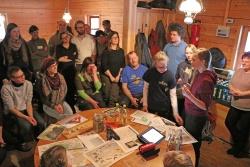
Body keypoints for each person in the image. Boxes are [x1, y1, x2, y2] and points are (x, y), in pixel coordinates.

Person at [182, 48, 217, 167]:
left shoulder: (206, 79)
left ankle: (194, 163)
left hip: (196, 117)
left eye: (194, 59)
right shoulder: (199, 73)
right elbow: (198, 93)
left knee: (193, 144)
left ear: (203, 61)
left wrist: (188, 95)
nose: (191, 61)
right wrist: (189, 88)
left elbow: (204, 106)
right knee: (190, 141)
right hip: (190, 113)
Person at [1, 66, 45, 151]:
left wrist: (31, 116)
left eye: (23, 75)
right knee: (26, 125)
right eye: (19, 77)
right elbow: (11, 108)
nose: (23, 77)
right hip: (15, 110)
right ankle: (24, 141)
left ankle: (38, 138)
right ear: (12, 79)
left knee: (41, 122)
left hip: (26, 107)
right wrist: (26, 118)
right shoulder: (6, 89)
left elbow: (28, 103)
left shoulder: (28, 84)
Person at [142, 51, 183, 125]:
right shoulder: (150, 72)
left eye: (165, 66)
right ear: (155, 64)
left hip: (164, 108)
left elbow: (173, 96)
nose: (164, 69)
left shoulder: (170, 76)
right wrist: (145, 104)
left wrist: (175, 113)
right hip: (151, 106)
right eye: (161, 67)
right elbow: (145, 89)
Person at [225, 51, 250, 158]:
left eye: (246, 62)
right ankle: (239, 146)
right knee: (229, 123)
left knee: (243, 129)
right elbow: (230, 83)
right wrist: (232, 90)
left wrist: (241, 93)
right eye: (242, 61)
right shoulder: (239, 71)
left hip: (248, 107)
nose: (243, 63)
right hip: (235, 103)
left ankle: (239, 149)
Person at [0, 23, 33, 87]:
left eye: (18, 31)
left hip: (25, 74)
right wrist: (3, 77)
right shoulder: (3, 45)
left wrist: (31, 71)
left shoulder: (23, 43)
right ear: (9, 33)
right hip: (10, 76)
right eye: (14, 31)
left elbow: (29, 58)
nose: (17, 33)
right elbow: (0, 64)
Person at [101, 31, 125, 106]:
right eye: (114, 37)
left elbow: (122, 65)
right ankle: (106, 108)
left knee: (114, 94)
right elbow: (104, 66)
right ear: (110, 40)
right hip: (107, 75)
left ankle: (112, 109)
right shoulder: (106, 51)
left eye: (117, 37)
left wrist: (118, 76)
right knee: (107, 93)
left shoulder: (121, 51)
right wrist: (111, 77)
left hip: (117, 75)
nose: (116, 39)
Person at [56, 31, 78, 112]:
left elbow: (75, 57)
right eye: (63, 37)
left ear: (69, 37)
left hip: (72, 70)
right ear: (61, 39)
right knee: (64, 89)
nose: (65, 38)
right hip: (63, 71)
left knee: (72, 89)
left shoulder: (73, 46)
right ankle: (65, 107)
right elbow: (59, 59)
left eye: (67, 37)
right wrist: (70, 57)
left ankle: (72, 106)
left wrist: (65, 57)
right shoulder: (58, 47)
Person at [176, 44, 197, 120]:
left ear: (195, 53)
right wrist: (178, 82)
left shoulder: (197, 66)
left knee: (186, 118)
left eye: (190, 53)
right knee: (178, 116)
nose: (188, 55)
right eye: (187, 53)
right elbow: (176, 79)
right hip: (181, 95)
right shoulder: (181, 65)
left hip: (192, 97)